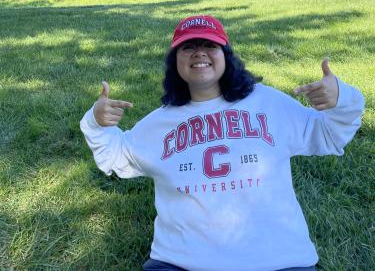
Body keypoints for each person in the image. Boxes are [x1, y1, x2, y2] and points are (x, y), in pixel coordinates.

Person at [80, 15, 365, 271]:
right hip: (181, 262)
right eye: (188, 47)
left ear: (225, 55)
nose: (199, 52)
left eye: (210, 45)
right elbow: (117, 157)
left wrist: (342, 98)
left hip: (279, 261)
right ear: (175, 60)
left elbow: (328, 134)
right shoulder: (159, 123)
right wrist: (96, 121)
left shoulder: (268, 103)